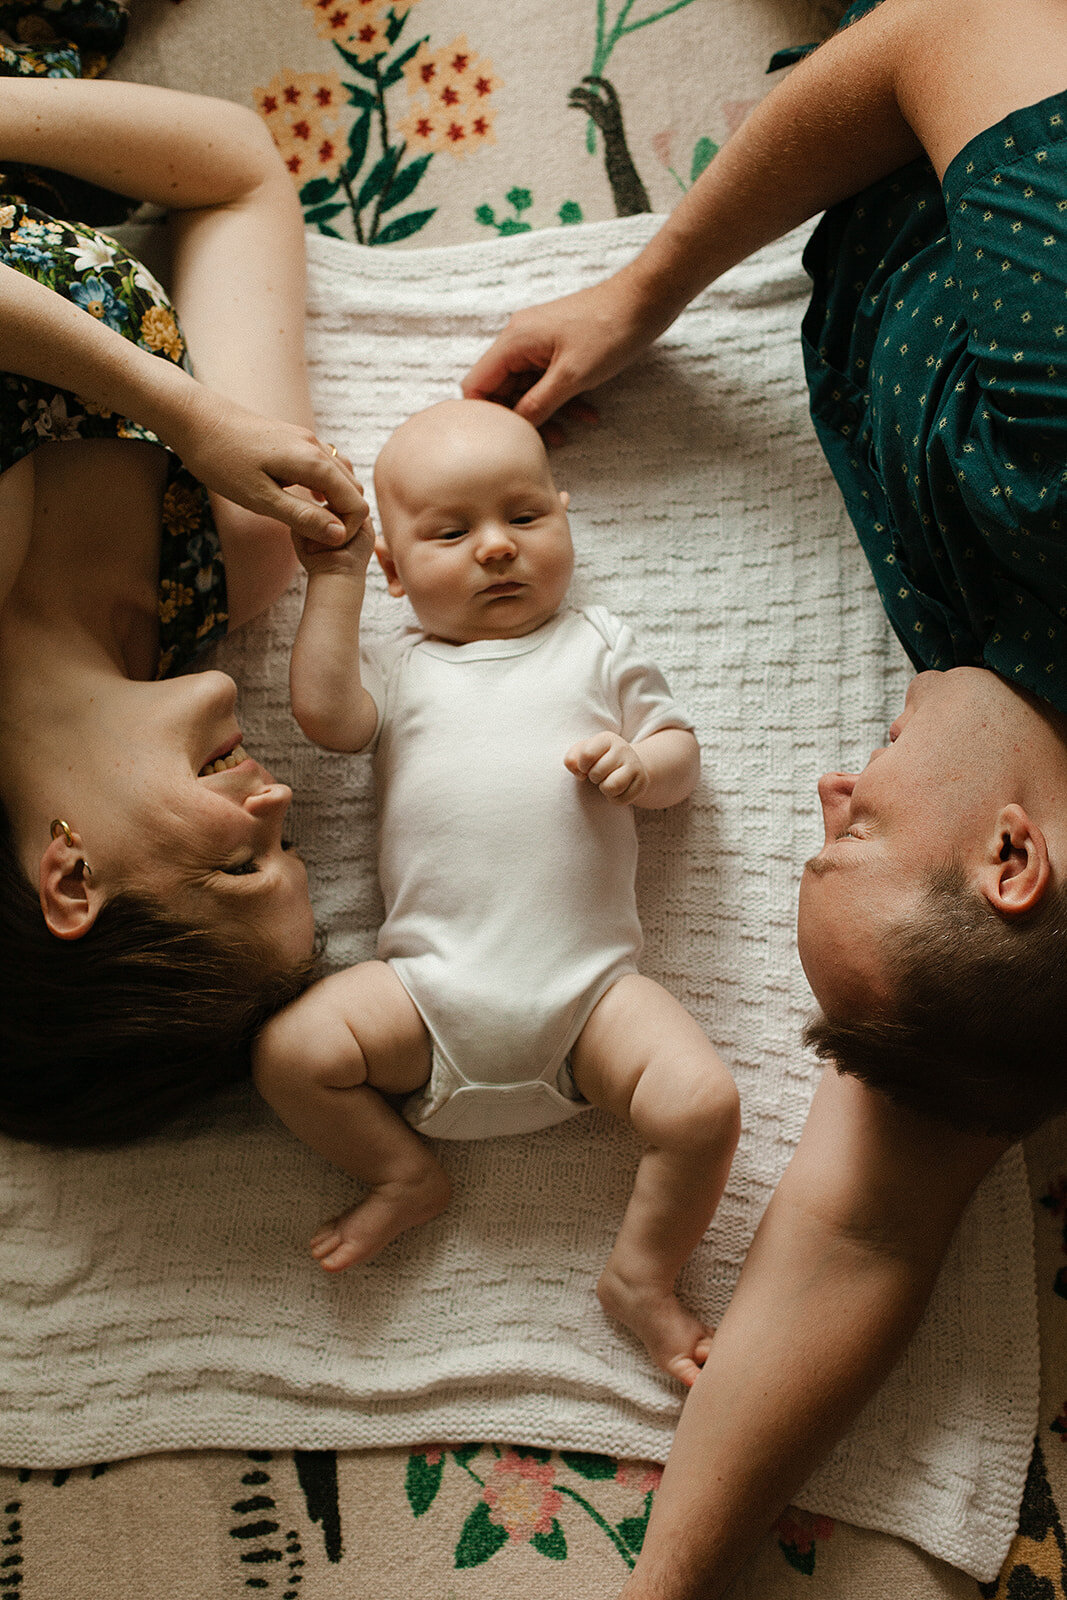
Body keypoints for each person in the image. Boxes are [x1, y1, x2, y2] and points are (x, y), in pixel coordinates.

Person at [461, 0, 1067, 1593]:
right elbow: (964, 25)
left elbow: (866, 1230)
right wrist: (642, 288)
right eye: (853, 828)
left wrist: (665, 1585)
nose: (832, 776)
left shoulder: (1007, 933)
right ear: (1009, 859)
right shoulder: (1055, 468)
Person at [252, 397, 741, 1386]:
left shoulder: (595, 643)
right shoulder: (402, 667)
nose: (495, 550)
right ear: (394, 568)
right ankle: (402, 1171)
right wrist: (336, 580)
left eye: (524, 518)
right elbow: (325, 715)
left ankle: (640, 1276)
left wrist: (642, 768)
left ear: (563, 518)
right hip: (429, 994)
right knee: (292, 1052)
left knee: (703, 1105)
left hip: (590, 998)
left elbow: (680, 750)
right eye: (449, 532)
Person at [0, 10, 371, 1148]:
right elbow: (238, 176)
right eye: (292, 845)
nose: (278, 804)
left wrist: (184, 409)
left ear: (71, 878)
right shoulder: (237, 554)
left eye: (239, 859)